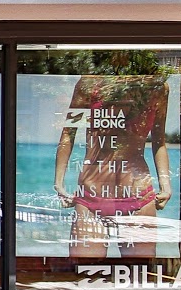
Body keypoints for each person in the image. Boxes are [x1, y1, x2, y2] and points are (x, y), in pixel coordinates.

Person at [52, 74, 174, 238]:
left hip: (138, 193)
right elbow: (69, 131)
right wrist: (59, 183)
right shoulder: (90, 83)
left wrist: (165, 185)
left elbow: (158, 141)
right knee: (86, 256)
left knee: (138, 258)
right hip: (91, 193)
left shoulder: (157, 87)